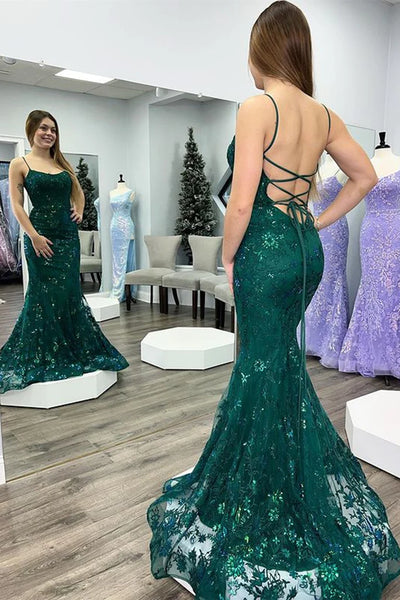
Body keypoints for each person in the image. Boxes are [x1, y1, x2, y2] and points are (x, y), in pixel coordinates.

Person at [147, 2, 400, 598]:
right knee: (280, 363)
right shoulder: (323, 114)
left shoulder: (257, 106)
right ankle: (284, 468)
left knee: (258, 367)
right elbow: (365, 177)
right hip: (303, 251)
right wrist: (314, 224)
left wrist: (230, 256)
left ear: (262, 48)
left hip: (264, 252)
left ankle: (260, 488)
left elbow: (240, 202)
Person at [0, 110, 128, 393]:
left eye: (53, 130)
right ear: (31, 130)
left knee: (69, 292)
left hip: (67, 238)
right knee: (43, 294)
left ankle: (70, 346)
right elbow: (17, 205)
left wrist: (79, 210)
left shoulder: (61, 162)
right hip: (40, 237)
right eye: (44, 128)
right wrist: (33, 236)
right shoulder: (20, 163)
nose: (49, 134)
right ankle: (45, 349)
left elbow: (78, 191)